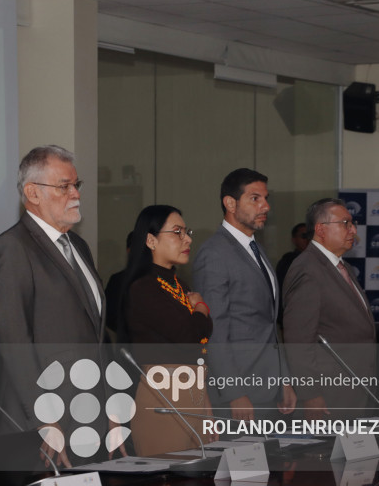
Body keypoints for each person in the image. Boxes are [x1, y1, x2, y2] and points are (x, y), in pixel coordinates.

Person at [0, 145, 114, 467]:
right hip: (46, 423)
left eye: (76, 185)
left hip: (90, 417)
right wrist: (45, 418)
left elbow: (96, 337)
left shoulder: (79, 246)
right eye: (63, 186)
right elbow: (15, 343)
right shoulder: (12, 248)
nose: (75, 194)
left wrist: (110, 408)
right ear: (33, 193)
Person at [193, 168, 296, 423]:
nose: (266, 206)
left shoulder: (255, 247)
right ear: (230, 203)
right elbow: (214, 330)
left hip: (267, 385)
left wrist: (283, 378)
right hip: (240, 393)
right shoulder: (215, 253)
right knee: (241, 463)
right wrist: (233, 391)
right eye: (255, 198)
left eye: (266, 198)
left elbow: (268, 325)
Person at [119, 205, 215, 455]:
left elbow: (198, 346)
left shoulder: (178, 284)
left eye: (186, 231)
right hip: (164, 397)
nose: (188, 239)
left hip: (194, 393)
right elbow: (190, 335)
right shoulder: (144, 288)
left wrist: (206, 407)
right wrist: (202, 309)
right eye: (177, 232)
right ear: (151, 240)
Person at [282, 198, 376, 421]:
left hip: (352, 386)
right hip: (329, 392)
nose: (353, 229)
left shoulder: (343, 267)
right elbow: (298, 340)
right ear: (321, 229)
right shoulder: (308, 269)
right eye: (345, 223)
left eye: (352, 223)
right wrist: (311, 393)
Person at [276, 223, 308, 291]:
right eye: (304, 236)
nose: (307, 239)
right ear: (294, 240)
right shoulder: (288, 261)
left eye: (310, 236)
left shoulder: (318, 258)